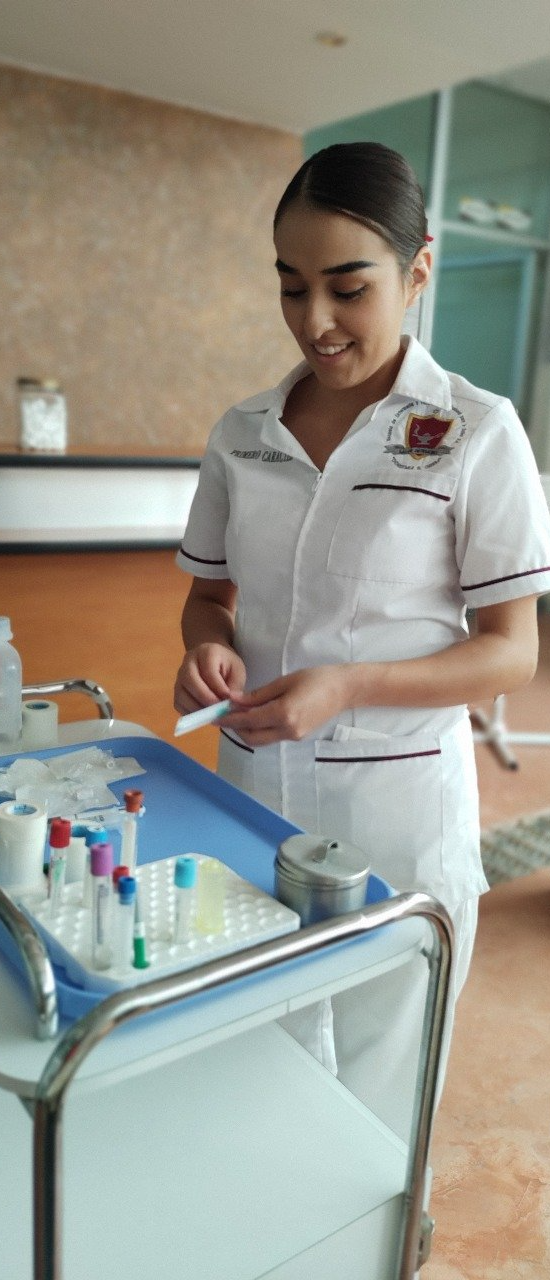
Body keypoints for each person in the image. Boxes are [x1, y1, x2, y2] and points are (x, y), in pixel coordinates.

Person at [173, 141, 550, 1135]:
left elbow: (512, 650)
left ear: (420, 268)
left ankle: (383, 1228)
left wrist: (348, 683)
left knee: (389, 1051)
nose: (315, 321)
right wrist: (205, 644)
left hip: (396, 800)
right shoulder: (243, 430)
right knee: (261, 1035)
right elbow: (210, 596)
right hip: (251, 790)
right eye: (292, 288)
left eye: (349, 287)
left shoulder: (476, 431)